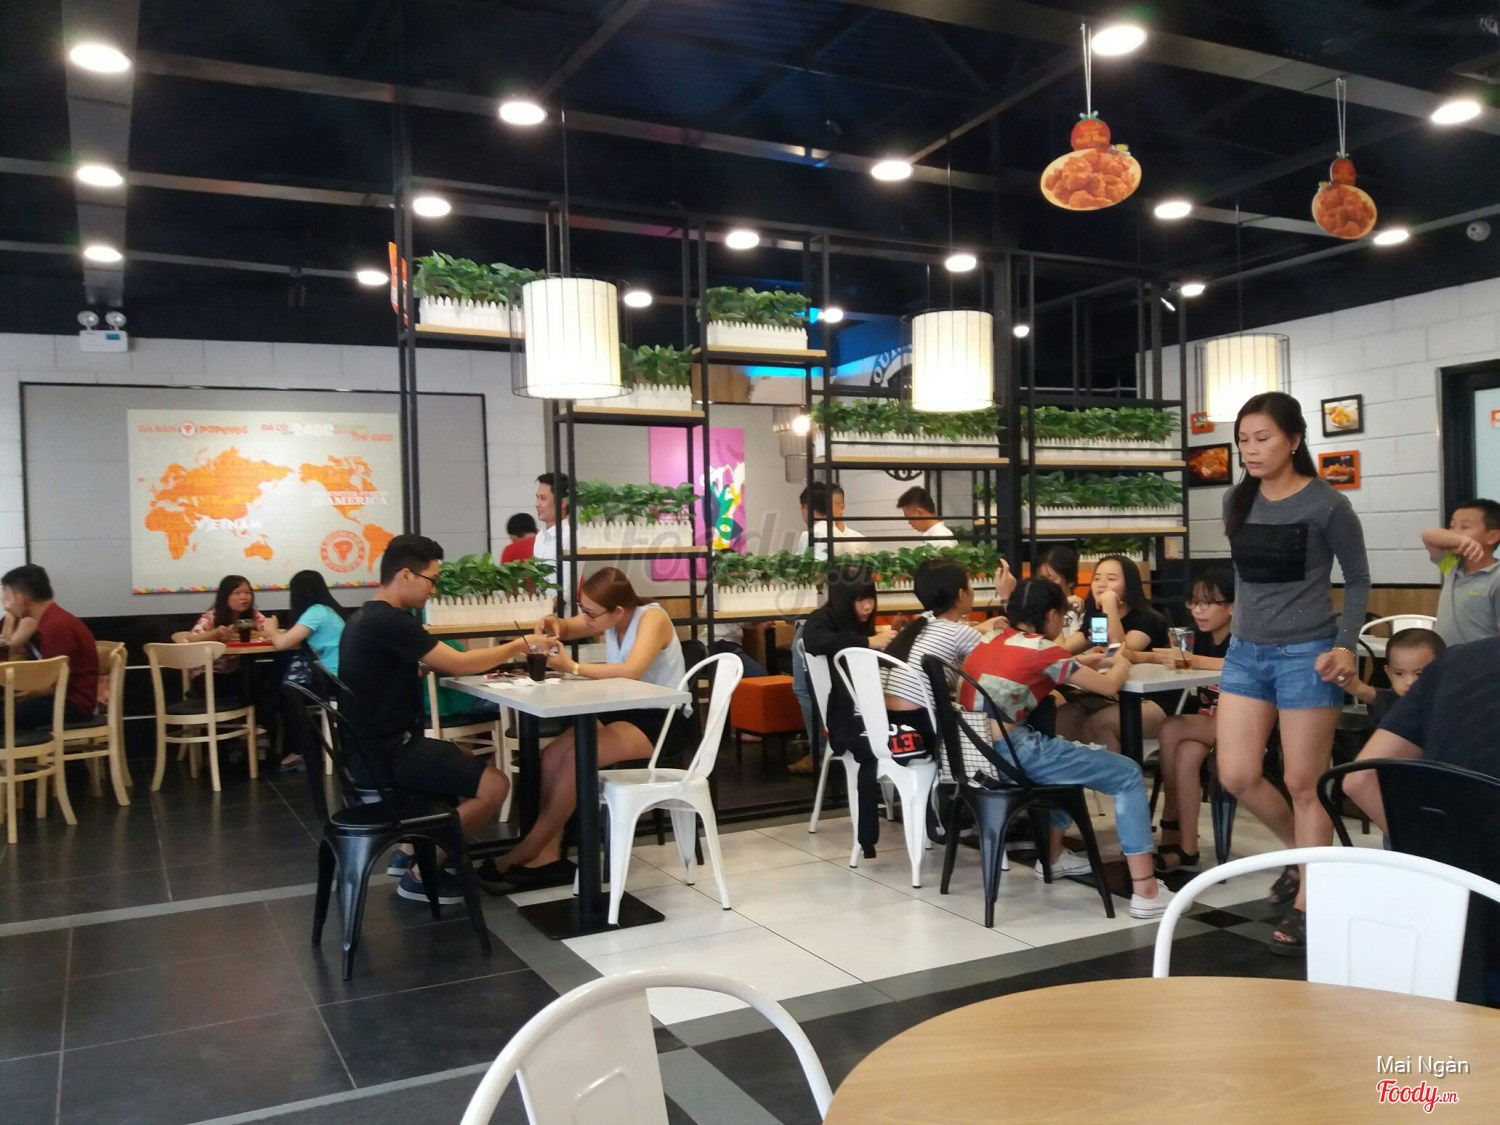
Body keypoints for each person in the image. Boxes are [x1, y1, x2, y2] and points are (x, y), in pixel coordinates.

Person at [1214, 391, 1370, 956]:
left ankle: (1311, 900)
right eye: (1243, 440)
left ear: (1294, 440)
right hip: (1245, 653)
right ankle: (1309, 860)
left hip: (1308, 655)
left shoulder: (1328, 504)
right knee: (1236, 775)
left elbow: (1357, 579)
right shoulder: (1237, 499)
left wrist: (1345, 645)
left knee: (1305, 783)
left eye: (1263, 438)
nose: (1250, 450)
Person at [961, 579, 1173, 918]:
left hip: (979, 756)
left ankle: (1054, 857)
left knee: (1065, 755)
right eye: (1061, 616)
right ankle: (1146, 890)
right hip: (1017, 755)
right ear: (1050, 615)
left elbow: (1033, 668)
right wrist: (1123, 661)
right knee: (1128, 774)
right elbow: (1109, 686)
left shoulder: (990, 639)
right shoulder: (1044, 650)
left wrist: (1080, 663)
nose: (1061, 623)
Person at [338, 533, 521, 905]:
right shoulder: (391, 621)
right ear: (406, 574)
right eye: (431, 580)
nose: (433, 589)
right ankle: (421, 874)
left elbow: (388, 672)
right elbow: (458, 664)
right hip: (387, 756)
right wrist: (519, 645)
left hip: (369, 750)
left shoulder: (364, 616)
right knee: (496, 785)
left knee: (463, 758)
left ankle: (409, 850)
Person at [483, 567, 685, 888]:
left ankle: (527, 849)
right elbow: (568, 627)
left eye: (591, 613)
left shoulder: (652, 618)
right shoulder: (606, 616)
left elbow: (632, 670)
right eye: (583, 609)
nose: (586, 619)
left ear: (618, 610)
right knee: (551, 756)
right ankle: (547, 857)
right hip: (624, 709)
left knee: (577, 759)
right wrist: (554, 624)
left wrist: (573, 667)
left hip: (662, 717)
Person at [801, 563, 892, 855]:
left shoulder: (859, 622)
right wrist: (867, 642)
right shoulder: (822, 619)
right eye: (859, 600)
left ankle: (930, 823)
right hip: (845, 720)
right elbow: (813, 641)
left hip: (871, 712)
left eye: (871, 598)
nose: (868, 606)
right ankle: (868, 838)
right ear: (843, 599)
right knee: (879, 747)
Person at [1151, 566, 1235, 872]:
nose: (1198, 610)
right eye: (1194, 602)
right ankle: (1187, 849)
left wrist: (1192, 660)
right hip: (1208, 723)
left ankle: (1170, 817)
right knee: (1186, 753)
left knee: (1172, 726)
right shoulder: (1197, 637)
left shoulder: (1243, 638)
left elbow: (1236, 665)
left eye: (1207, 603)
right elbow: (1171, 656)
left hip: (1242, 725)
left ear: (1232, 606)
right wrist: (1132, 656)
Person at [883, 559, 1008, 747]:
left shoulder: (917, 626)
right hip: (922, 728)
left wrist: (980, 629)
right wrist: (1006, 599)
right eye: (970, 585)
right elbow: (1007, 660)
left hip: (888, 724)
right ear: (961, 594)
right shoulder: (958, 633)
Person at [1055, 554, 1170, 753]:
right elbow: (1061, 652)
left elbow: (1119, 652)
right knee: (1063, 715)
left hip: (1152, 700)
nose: (1101, 584)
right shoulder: (1098, 620)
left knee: (1100, 723)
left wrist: (1109, 603)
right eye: (1097, 578)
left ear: (1129, 585)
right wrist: (1059, 611)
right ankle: (1079, 772)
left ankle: (1117, 772)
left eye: (1111, 579)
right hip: (1113, 695)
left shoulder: (1148, 619)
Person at [0, 564, 99, 729]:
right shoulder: (27, 619)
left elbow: (52, 683)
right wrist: (10, 619)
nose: (3, 600)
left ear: (20, 598)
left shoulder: (57, 625)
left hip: (71, 702)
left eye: (5, 593)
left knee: (6, 714)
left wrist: (18, 693)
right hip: (50, 696)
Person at [1422, 498, 1500, 646]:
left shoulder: (1496, 577)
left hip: (1479, 659)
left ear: (1492, 536)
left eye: (1465, 526)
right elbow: (1428, 535)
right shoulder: (1452, 565)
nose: (1454, 533)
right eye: (1452, 527)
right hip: (1445, 657)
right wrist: (1461, 539)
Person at [1340, 627, 1445, 726]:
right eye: (1399, 673)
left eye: (1419, 674)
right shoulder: (1389, 700)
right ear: (1389, 673)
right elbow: (1358, 688)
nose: (1409, 682)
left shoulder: (1447, 705)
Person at [186, 574, 273, 679]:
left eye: (247, 592)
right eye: (237, 593)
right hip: (208, 673)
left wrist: (254, 634)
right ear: (225, 596)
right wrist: (216, 633)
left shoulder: (252, 615)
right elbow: (190, 640)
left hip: (237, 671)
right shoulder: (212, 616)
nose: (244, 597)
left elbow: (270, 632)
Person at [264, 570, 345, 675]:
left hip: (333, 674)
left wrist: (272, 628)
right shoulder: (328, 610)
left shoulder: (316, 612)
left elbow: (281, 644)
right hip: (341, 671)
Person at [532, 472, 584, 610]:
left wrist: (544, 611)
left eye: (543, 498)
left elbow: (566, 592)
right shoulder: (540, 536)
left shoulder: (571, 537)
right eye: (537, 498)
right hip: (543, 612)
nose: (537, 504)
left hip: (564, 616)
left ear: (562, 503)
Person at [794, 483, 869, 559]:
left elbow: (808, 565)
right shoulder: (842, 538)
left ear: (807, 508)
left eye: (802, 507)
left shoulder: (810, 535)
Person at [1035, 545, 1084, 635]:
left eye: (1050, 579)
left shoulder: (1079, 609)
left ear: (1070, 580)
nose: (1045, 585)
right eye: (1041, 579)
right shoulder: (1034, 609)